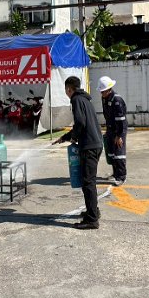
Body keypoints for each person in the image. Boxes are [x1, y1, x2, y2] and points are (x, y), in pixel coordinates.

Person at [53, 76, 103, 229]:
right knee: (89, 181)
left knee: (88, 182)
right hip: (95, 144)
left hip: (89, 146)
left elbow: (80, 122)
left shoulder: (76, 100)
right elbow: (83, 123)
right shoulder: (85, 99)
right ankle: (93, 211)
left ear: (69, 89)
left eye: (66, 90)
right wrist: (65, 137)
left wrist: (73, 137)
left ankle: (92, 220)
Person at [99, 76, 128, 186]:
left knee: (119, 153)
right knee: (111, 153)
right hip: (110, 128)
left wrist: (119, 135)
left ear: (109, 89)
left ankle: (121, 177)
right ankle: (115, 174)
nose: (102, 93)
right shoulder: (105, 99)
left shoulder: (117, 100)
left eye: (103, 91)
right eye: (101, 91)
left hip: (119, 128)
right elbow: (107, 116)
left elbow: (121, 119)